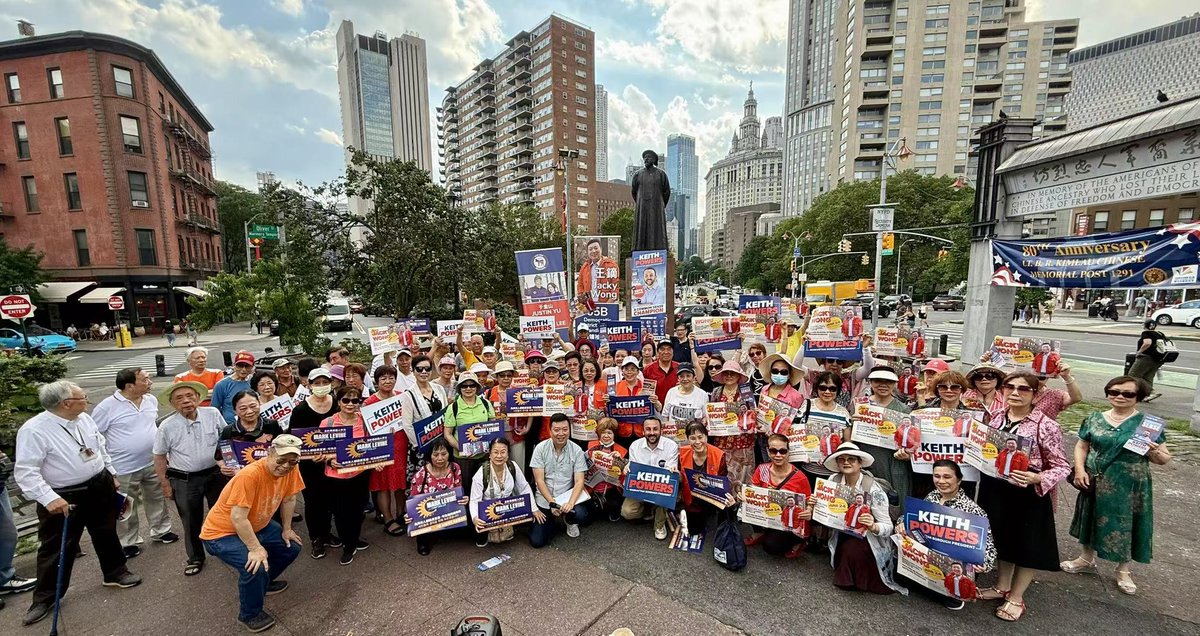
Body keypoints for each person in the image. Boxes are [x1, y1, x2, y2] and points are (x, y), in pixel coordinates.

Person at [15, 381, 141, 626]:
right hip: (63, 495)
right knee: (57, 547)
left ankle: (115, 571)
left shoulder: (83, 418)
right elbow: (26, 471)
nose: (87, 399)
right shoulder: (34, 430)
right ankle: (45, 597)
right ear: (66, 403)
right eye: (82, 396)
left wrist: (111, 472)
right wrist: (48, 498)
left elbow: (99, 446)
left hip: (98, 484)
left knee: (106, 533)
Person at [1062, 376, 1171, 596]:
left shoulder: (1146, 424)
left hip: (1129, 483)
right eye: (1114, 392)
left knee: (1125, 523)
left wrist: (1154, 451)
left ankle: (1123, 570)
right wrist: (1080, 469)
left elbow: (1164, 458)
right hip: (1095, 479)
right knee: (1090, 516)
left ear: (1138, 397)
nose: (1119, 397)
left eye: (1127, 393)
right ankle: (1086, 557)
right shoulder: (1094, 418)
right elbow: (1082, 445)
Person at [975, 370, 1071, 622]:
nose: (1015, 392)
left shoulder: (1046, 425)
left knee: (1027, 544)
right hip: (995, 487)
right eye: (1010, 387)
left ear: (1036, 394)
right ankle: (1001, 586)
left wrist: (1037, 478)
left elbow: (1062, 465)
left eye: (1023, 389)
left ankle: (1016, 597)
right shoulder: (995, 417)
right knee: (1002, 539)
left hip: (1027, 492)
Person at [200, 435, 304, 633]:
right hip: (221, 533)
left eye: (292, 461)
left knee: (291, 547)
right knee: (255, 566)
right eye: (281, 460)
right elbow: (238, 518)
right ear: (269, 453)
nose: (286, 466)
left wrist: (287, 529)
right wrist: (256, 548)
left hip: (257, 524)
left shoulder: (292, 468)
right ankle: (249, 614)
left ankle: (262, 584)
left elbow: (290, 498)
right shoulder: (249, 475)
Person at [93, 368, 177, 559]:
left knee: (156, 497)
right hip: (122, 465)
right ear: (129, 385)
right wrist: (107, 468)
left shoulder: (150, 400)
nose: (150, 382)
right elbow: (95, 437)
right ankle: (128, 541)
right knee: (126, 505)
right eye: (145, 379)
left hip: (151, 461)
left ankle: (161, 530)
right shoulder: (106, 407)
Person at [896, 459, 996, 610]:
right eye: (937, 476)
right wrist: (901, 523)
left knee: (951, 597)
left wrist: (983, 565)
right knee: (898, 574)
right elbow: (911, 518)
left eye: (947, 477)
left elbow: (989, 553)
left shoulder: (973, 511)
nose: (941, 481)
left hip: (954, 565)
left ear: (959, 479)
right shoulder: (933, 496)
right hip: (929, 556)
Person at [153, 381, 228, 577]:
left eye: (190, 396)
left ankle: (226, 548)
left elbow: (226, 439)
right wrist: (165, 484)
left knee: (223, 513)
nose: (186, 401)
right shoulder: (166, 426)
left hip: (215, 474)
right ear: (172, 403)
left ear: (198, 397)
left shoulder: (212, 414)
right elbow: (159, 456)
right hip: (184, 479)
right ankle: (195, 557)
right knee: (190, 520)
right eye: (179, 398)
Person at [822, 442, 904, 594]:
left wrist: (873, 526)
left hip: (867, 539)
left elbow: (888, 526)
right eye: (842, 459)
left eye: (851, 459)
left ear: (860, 463)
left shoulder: (873, 489)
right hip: (841, 533)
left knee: (852, 550)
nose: (846, 462)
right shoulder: (833, 480)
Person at [289, 367, 339, 560]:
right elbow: (295, 439)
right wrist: (310, 456)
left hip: (333, 461)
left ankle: (327, 533)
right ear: (308, 385)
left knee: (329, 499)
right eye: (316, 383)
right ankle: (316, 538)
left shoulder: (336, 403)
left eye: (324, 382)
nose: (321, 386)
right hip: (310, 464)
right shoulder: (301, 410)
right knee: (313, 501)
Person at [318, 386, 371, 565]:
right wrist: (329, 461)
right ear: (338, 401)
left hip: (360, 474)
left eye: (355, 400)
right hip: (336, 477)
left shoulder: (364, 420)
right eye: (346, 400)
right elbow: (320, 450)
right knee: (341, 513)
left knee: (359, 509)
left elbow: (372, 444)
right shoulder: (328, 423)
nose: (350, 404)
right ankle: (348, 546)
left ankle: (354, 539)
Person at [743, 433, 811, 558]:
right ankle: (759, 532)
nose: (778, 455)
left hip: (789, 521)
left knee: (771, 547)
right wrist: (743, 497)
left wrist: (809, 511)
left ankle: (799, 542)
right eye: (774, 451)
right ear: (768, 452)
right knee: (747, 506)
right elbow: (752, 493)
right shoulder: (761, 469)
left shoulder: (800, 477)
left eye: (782, 451)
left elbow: (808, 502)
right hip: (769, 514)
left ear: (788, 452)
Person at [529, 414, 590, 547]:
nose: (561, 434)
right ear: (550, 430)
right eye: (556, 430)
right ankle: (551, 521)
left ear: (569, 429)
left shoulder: (577, 450)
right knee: (537, 541)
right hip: (546, 499)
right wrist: (552, 503)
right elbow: (539, 480)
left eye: (565, 429)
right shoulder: (540, 448)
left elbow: (579, 481)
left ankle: (569, 521)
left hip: (567, 496)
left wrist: (570, 503)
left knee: (581, 515)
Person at [469, 438, 538, 547]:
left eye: (503, 452)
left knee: (534, 519)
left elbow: (524, 487)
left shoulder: (513, 466)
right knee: (480, 539)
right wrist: (475, 518)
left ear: (508, 454)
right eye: (495, 452)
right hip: (488, 511)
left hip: (507, 508)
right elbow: (474, 499)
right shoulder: (481, 472)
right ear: (490, 454)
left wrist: (534, 509)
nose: (499, 456)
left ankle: (508, 528)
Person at [365, 365, 408, 537]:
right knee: (383, 485)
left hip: (401, 444)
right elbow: (366, 430)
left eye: (391, 377)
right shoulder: (369, 403)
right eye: (383, 378)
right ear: (377, 381)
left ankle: (400, 513)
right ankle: (388, 518)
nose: (388, 381)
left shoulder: (402, 397)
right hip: (381, 447)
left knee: (400, 483)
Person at [620, 417, 680, 540]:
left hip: (660, 487)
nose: (652, 432)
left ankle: (659, 524)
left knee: (667, 487)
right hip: (641, 487)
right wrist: (627, 468)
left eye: (655, 429)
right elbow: (633, 469)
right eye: (648, 429)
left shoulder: (671, 446)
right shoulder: (635, 445)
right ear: (643, 431)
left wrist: (673, 471)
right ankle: (649, 511)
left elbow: (671, 471)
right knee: (627, 512)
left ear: (661, 430)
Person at [405, 438, 468, 556]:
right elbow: (413, 502)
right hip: (428, 516)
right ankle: (422, 542)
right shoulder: (421, 475)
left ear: (449, 453)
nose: (440, 458)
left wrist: (464, 499)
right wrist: (408, 514)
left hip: (449, 512)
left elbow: (459, 491)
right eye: (436, 454)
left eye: (444, 454)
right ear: (430, 455)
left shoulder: (455, 468)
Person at [709, 359, 757, 488]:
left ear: (739, 376)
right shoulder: (716, 392)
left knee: (743, 478)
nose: (729, 376)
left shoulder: (746, 391)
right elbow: (711, 413)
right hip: (722, 442)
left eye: (733, 373)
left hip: (743, 442)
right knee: (724, 474)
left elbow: (752, 415)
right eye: (726, 373)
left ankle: (741, 505)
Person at [443, 372, 495, 481]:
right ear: (460, 388)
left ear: (476, 387)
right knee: (466, 489)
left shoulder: (486, 404)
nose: (468, 388)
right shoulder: (453, 407)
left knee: (484, 487)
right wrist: (462, 448)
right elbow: (447, 434)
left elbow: (493, 427)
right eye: (464, 386)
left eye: (472, 385)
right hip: (462, 458)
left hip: (483, 456)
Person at [586, 417, 628, 522]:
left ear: (614, 434)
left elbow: (624, 476)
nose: (606, 436)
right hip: (593, 485)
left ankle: (612, 509)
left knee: (614, 504)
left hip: (611, 487)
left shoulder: (621, 450)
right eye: (603, 433)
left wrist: (620, 461)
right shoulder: (590, 446)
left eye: (609, 433)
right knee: (589, 512)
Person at [212, 351, 256, 424]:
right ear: (234, 365)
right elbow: (214, 409)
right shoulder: (222, 385)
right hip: (232, 427)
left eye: (247, 366)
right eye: (240, 366)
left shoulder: (254, 382)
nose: (243, 369)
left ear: (253, 367)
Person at [1128, 320, 1171, 394]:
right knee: (1148, 377)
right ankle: (1148, 394)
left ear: (1146, 326)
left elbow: (1147, 343)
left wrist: (1139, 352)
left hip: (1146, 358)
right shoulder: (1160, 333)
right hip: (1158, 359)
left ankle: (1134, 392)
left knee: (1133, 375)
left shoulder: (1146, 333)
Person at [577, 237, 619, 304]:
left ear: (601, 249)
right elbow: (580, 285)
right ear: (587, 252)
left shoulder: (611, 265)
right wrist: (584, 301)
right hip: (589, 306)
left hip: (606, 305)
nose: (593, 251)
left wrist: (607, 305)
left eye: (596, 248)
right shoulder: (584, 267)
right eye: (590, 249)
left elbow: (615, 287)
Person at [642, 340, 679, 405]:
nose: (666, 352)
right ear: (657, 352)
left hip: (676, 409)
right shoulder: (648, 369)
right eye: (662, 349)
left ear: (673, 352)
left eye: (669, 349)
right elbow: (645, 392)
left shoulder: (680, 368)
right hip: (655, 410)